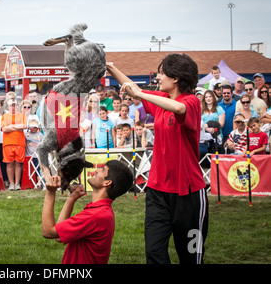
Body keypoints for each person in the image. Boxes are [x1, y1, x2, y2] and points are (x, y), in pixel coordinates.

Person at [107, 53, 209, 264]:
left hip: (188, 194)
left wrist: (141, 94)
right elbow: (133, 87)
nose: (158, 77)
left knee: (190, 257)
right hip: (157, 191)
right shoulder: (161, 100)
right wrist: (110, 68)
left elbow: (178, 108)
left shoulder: (190, 102)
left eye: (162, 73)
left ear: (176, 78)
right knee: (154, 252)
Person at [41, 160, 133, 264]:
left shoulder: (95, 216)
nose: (97, 170)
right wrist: (71, 199)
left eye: (103, 170)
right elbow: (58, 237)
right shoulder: (101, 210)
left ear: (107, 182)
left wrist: (50, 192)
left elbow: (48, 232)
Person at [1, 99, 27, 191]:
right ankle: (11, 183)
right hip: (8, 142)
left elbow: (24, 126)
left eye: (14, 105)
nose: (13, 107)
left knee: (18, 163)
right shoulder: (5, 116)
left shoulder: (22, 115)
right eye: (11, 105)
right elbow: (4, 129)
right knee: (9, 163)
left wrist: (11, 126)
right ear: (8, 106)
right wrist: (17, 127)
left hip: (19, 142)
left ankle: (17, 183)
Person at [24, 119, 44, 188]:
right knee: (29, 170)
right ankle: (30, 183)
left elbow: (43, 144)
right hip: (28, 156)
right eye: (32, 127)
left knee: (38, 169)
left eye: (35, 127)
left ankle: (39, 183)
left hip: (37, 156)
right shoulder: (26, 134)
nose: (33, 128)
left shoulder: (40, 135)